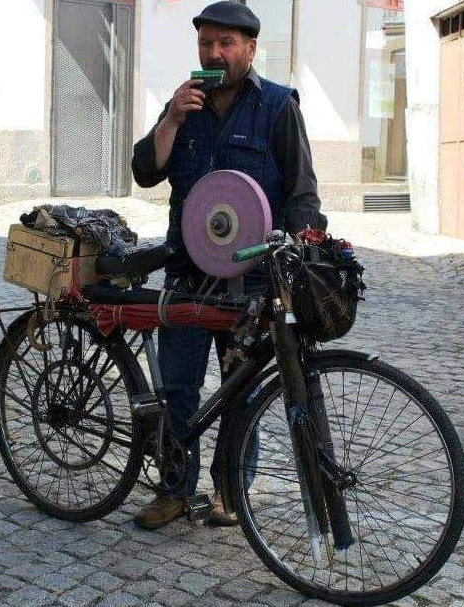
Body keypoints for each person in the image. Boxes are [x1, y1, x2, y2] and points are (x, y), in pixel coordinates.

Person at [131, 1, 327, 529]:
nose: (214, 54)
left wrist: (295, 256)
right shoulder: (184, 105)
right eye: (206, 44)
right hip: (188, 275)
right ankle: (174, 489)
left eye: (226, 44)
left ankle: (229, 491)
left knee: (240, 392)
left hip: (252, 280)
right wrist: (172, 117)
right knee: (178, 389)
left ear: (250, 49)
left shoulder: (279, 107)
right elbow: (145, 171)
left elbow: (302, 195)